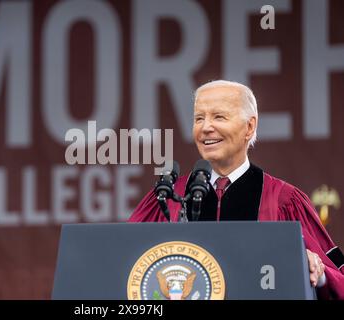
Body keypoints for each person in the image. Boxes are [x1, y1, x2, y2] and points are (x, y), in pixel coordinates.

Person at [128, 80, 344, 299]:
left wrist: (318, 272)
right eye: (199, 118)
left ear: (249, 127)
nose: (205, 127)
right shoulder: (169, 197)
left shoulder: (283, 200)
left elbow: (337, 276)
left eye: (219, 117)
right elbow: (124, 262)